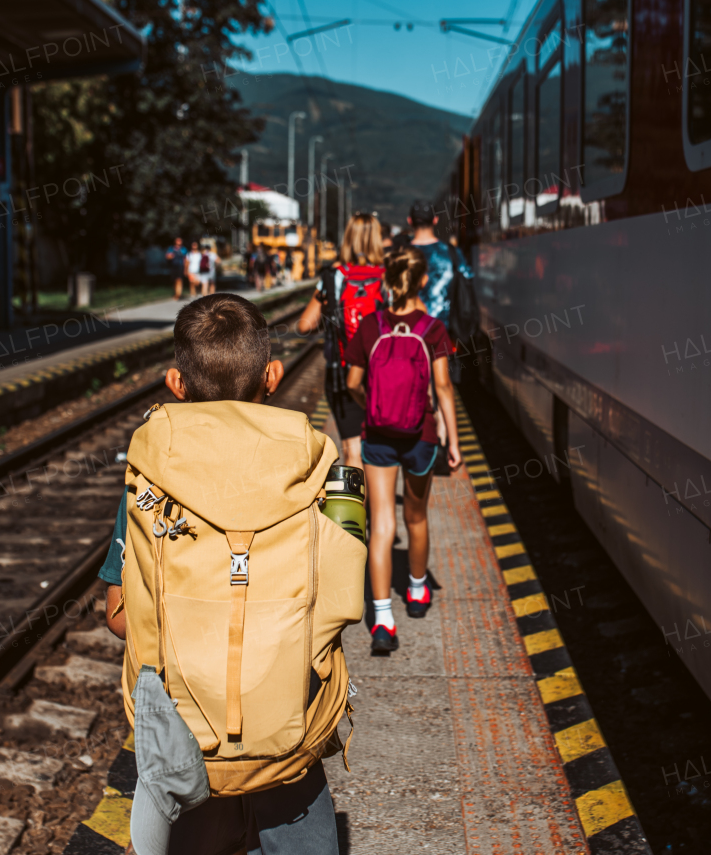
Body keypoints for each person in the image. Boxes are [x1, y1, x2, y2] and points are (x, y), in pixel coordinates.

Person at [100, 293, 365, 855]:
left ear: (176, 383)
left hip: (185, 743)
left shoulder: (149, 475)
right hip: (289, 740)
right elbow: (341, 602)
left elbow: (121, 620)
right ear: (272, 376)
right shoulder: (313, 464)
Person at [344, 247, 462, 655]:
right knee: (416, 516)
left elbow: (352, 383)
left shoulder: (371, 327)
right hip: (421, 436)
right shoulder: (433, 329)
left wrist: (372, 408)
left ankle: (382, 621)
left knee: (381, 525)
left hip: (377, 436)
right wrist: (454, 442)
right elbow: (444, 387)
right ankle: (415, 591)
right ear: (423, 281)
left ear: (388, 280)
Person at [297, 212, 385, 470]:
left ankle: (361, 509)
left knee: (354, 451)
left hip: (343, 374)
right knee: (380, 448)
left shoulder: (334, 276)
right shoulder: (388, 275)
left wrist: (332, 323)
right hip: (383, 373)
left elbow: (304, 325)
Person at [405, 199, 472, 332]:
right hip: (444, 331)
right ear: (435, 220)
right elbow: (467, 279)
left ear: (410, 221)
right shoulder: (452, 253)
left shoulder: (401, 255)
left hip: (408, 330)